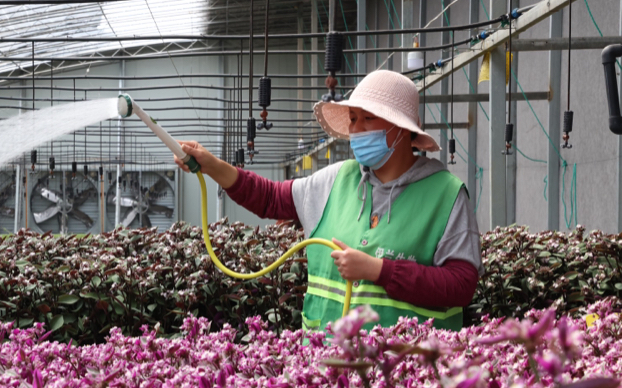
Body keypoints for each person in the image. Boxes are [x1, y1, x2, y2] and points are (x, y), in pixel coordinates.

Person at [175, 69, 482, 331]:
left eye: (367, 119)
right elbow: (268, 198)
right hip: (327, 375)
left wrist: (380, 270)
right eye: (352, 118)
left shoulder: (446, 195)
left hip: (405, 380)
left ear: (401, 128)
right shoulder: (336, 180)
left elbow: (461, 285)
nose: (355, 129)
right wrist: (212, 165)